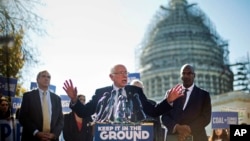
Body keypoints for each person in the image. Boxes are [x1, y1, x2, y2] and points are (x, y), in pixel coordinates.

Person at [63, 64, 183, 123]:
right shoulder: (101, 93)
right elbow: (84, 112)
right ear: (111, 77)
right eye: (120, 73)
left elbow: (152, 111)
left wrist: (168, 101)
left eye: (126, 72)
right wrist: (74, 100)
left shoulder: (136, 91)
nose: (125, 75)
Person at [161, 64, 211, 141]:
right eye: (183, 73)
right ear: (180, 76)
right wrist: (177, 127)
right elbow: (164, 116)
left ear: (194, 75)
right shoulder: (170, 93)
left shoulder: (204, 95)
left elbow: (206, 117)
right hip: (173, 137)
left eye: (189, 73)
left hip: (197, 137)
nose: (186, 76)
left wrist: (189, 129)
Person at [19, 70, 64, 141]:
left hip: (52, 139)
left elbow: (60, 119)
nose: (46, 78)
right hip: (32, 137)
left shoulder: (57, 99)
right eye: (43, 76)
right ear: (37, 80)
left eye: (48, 77)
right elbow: (23, 117)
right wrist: (36, 132)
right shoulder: (28, 96)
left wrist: (54, 134)